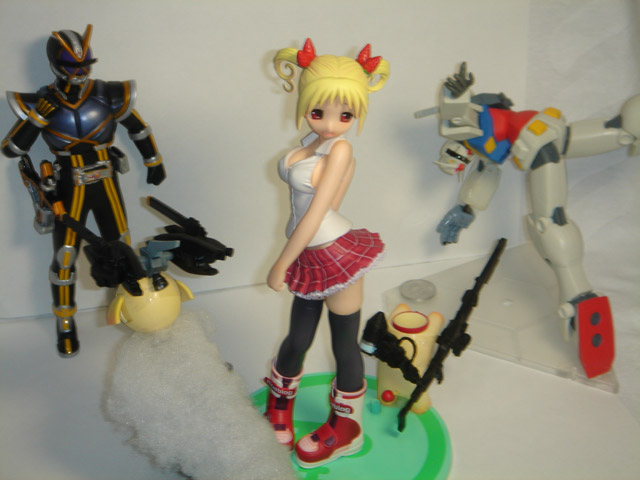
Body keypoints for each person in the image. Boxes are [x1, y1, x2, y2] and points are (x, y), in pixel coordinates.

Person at [2, 25, 166, 357]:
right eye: (71, 66)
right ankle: (65, 322)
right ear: (56, 64)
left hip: (105, 179)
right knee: (65, 257)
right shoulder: (42, 102)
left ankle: (137, 315)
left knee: (122, 250)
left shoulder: (108, 94)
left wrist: (153, 160)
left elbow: (137, 127)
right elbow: (12, 149)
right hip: (68, 184)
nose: (79, 72)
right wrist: (37, 116)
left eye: (84, 65)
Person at [264, 38, 389, 468]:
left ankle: (347, 428)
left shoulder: (341, 149)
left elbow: (318, 212)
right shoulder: (309, 144)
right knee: (298, 338)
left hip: (334, 254)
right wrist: (292, 257)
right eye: (319, 112)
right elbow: (319, 201)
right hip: (308, 255)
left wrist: (281, 262)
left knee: (343, 342)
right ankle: (279, 406)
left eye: (345, 115)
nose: (332, 124)